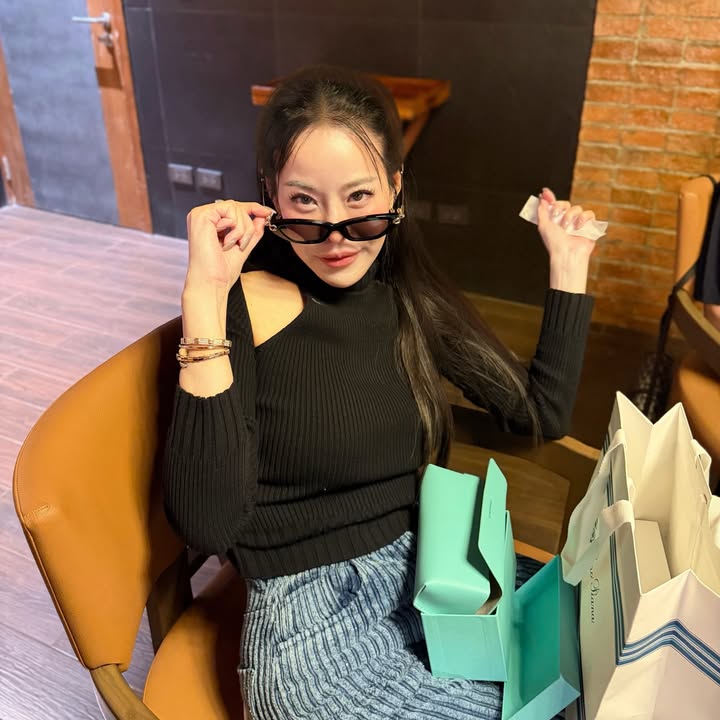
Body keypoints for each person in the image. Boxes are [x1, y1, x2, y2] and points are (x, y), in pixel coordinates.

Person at [163, 65, 598, 720]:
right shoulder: (241, 307)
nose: (336, 234)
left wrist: (568, 263)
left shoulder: (406, 297)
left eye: (359, 199)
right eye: (304, 204)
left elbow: (539, 411)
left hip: (438, 573)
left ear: (396, 187)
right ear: (269, 196)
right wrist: (203, 297)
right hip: (315, 631)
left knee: (607, 674)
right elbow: (208, 523)